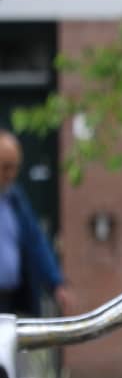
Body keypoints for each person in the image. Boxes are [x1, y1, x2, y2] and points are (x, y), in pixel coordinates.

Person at [0, 130, 70, 316]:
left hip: (10, 300)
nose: (11, 174)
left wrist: (56, 283)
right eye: (5, 167)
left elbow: (36, 241)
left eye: (15, 167)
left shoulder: (15, 199)